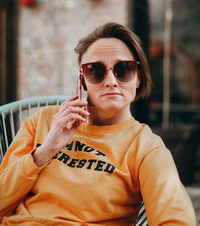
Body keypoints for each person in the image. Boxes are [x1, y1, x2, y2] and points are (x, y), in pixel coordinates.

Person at [0, 22, 196, 225]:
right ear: (82, 80)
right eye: (95, 70)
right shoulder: (44, 121)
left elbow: (175, 219)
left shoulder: (146, 147)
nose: (111, 80)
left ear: (138, 77)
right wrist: (45, 151)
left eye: (124, 69)